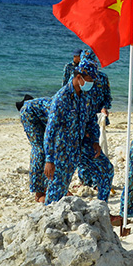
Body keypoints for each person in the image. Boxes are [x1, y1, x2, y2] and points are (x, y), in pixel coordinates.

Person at [43, 57, 102, 205]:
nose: (92, 83)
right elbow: (50, 131)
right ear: (78, 77)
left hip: (75, 150)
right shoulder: (61, 99)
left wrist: (95, 140)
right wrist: (49, 159)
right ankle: (47, 220)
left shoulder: (86, 96)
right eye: (90, 79)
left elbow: (91, 120)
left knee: (63, 188)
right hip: (60, 152)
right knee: (55, 190)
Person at [77, 51, 114, 194]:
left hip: (96, 116)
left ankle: (97, 181)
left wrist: (104, 108)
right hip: (82, 118)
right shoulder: (76, 77)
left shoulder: (103, 78)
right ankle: (85, 180)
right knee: (83, 150)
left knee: (98, 147)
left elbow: (107, 97)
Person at [18, 95, 52, 202]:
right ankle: (39, 192)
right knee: (39, 149)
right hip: (29, 114)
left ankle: (49, 188)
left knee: (48, 150)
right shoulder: (29, 107)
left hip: (43, 118)